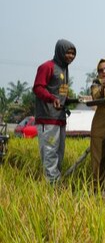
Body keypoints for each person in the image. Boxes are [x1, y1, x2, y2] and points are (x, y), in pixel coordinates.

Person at [32, 39, 77, 183]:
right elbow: (38, 88)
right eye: (68, 53)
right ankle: (52, 186)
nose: (70, 56)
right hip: (47, 118)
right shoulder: (47, 66)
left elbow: (59, 92)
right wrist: (52, 99)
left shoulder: (64, 68)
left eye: (73, 53)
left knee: (59, 152)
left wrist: (70, 100)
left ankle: (55, 182)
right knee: (50, 152)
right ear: (60, 51)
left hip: (60, 118)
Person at [89, 58, 105, 187]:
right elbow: (96, 96)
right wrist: (104, 86)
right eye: (100, 70)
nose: (104, 72)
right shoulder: (95, 84)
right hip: (100, 127)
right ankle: (96, 191)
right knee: (98, 162)